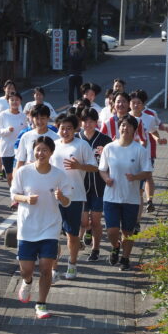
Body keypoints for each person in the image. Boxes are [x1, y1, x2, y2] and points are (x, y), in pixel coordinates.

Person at [11, 137, 72, 319]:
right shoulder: (23, 172)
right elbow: (14, 194)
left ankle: (41, 304)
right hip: (28, 226)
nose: (41, 153)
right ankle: (27, 281)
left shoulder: (59, 175)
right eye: (38, 149)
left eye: (45, 150)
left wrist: (61, 197)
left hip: (50, 226)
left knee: (46, 268)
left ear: (51, 152)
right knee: (26, 269)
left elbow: (67, 202)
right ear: (34, 151)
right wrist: (25, 199)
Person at [98, 115, 153, 271]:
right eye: (123, 125)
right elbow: (102, 169)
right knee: (112, 230)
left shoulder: (139, 150)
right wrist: (106, 178)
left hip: (131, 198)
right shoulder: (109, 148)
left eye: (129, 126)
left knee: (128, 232)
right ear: (119, 127)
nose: (125, 128)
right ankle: (116, 246)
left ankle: (125, 258)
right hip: (111, 197)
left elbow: (147, 172)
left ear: (134, 130)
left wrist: (135, 177)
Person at [50, 114, 98, 280]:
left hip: (75, 195)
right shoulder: (53, 145)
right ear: (58, 128)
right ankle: (54, 269)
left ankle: (72, 265)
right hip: (54, 196)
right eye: (62, 128)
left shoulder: (82, 145)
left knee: (72, 234)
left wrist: (79, 166)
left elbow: (94, 167)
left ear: (75, 129)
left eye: (69, 128)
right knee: (53, 234)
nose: (65, 131)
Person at [78, 107, 112, 261]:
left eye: (91, 121)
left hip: (99, 186)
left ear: (96, 122)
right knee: (84, 221)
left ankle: (95, 249)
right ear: (81, 122)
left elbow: (111, 163)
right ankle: (87, 230)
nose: (88, 124)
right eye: (85, 121)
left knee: (97, 219)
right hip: (80, 186)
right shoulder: (76, 139)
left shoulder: (105, 140)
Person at [0, 92, 27, 191]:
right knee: (9, 175)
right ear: (8, 101)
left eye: (17, 100)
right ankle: (13, 194)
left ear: (20, 101)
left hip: (20, 150)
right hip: (6, 149)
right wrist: (7, 130)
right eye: (12, 100)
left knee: (19, 174)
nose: (14, 102)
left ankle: (19, 194)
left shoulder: (23, 116)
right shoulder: (3, 115)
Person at [15, 104, 59, 169]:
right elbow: (20, 161)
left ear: (48, 118)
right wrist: (15, 178)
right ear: (32, 119)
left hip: (49, 176)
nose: (40, 121)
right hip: (29, 175)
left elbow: (58, 161)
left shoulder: (56, 137)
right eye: (37, 118)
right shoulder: (26, 136)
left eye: (42, 118)